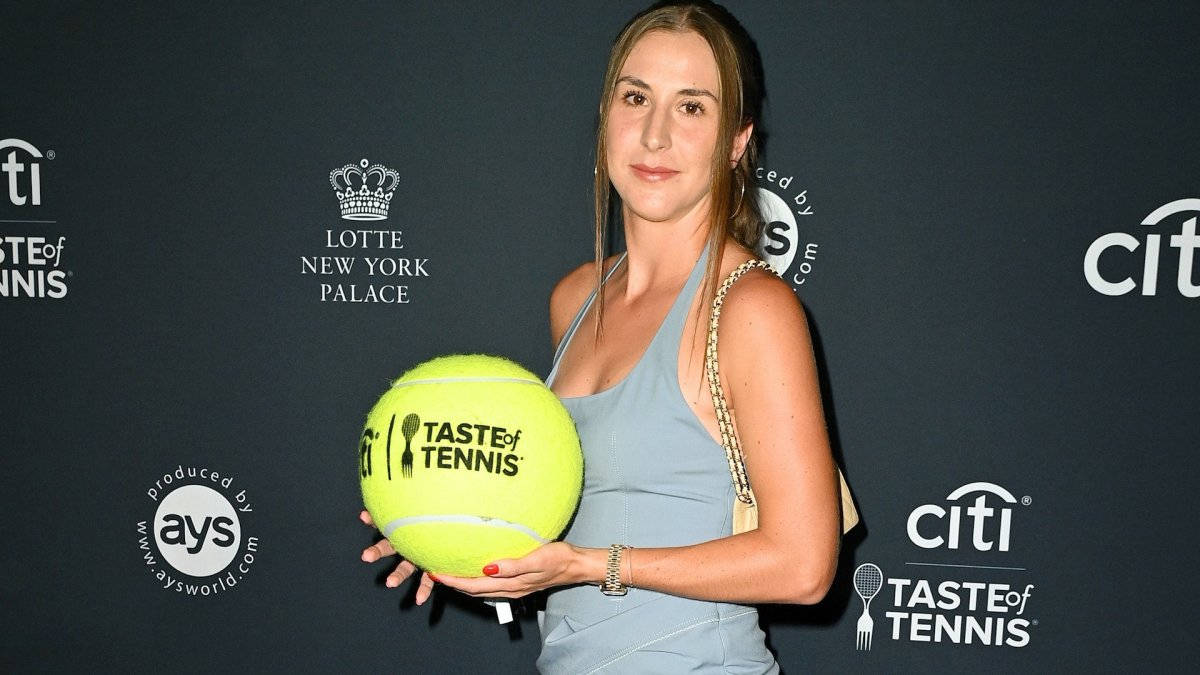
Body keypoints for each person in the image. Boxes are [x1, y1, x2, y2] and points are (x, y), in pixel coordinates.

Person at [359, 1, 841, 671]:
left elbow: (803, 564)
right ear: (606, 115)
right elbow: (568, 527)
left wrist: (589, 564)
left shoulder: (752, 308)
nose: (653, 135)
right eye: (635, 97)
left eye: (692, 107)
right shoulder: (575, 297)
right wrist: (455, 533)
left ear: (736, 140)